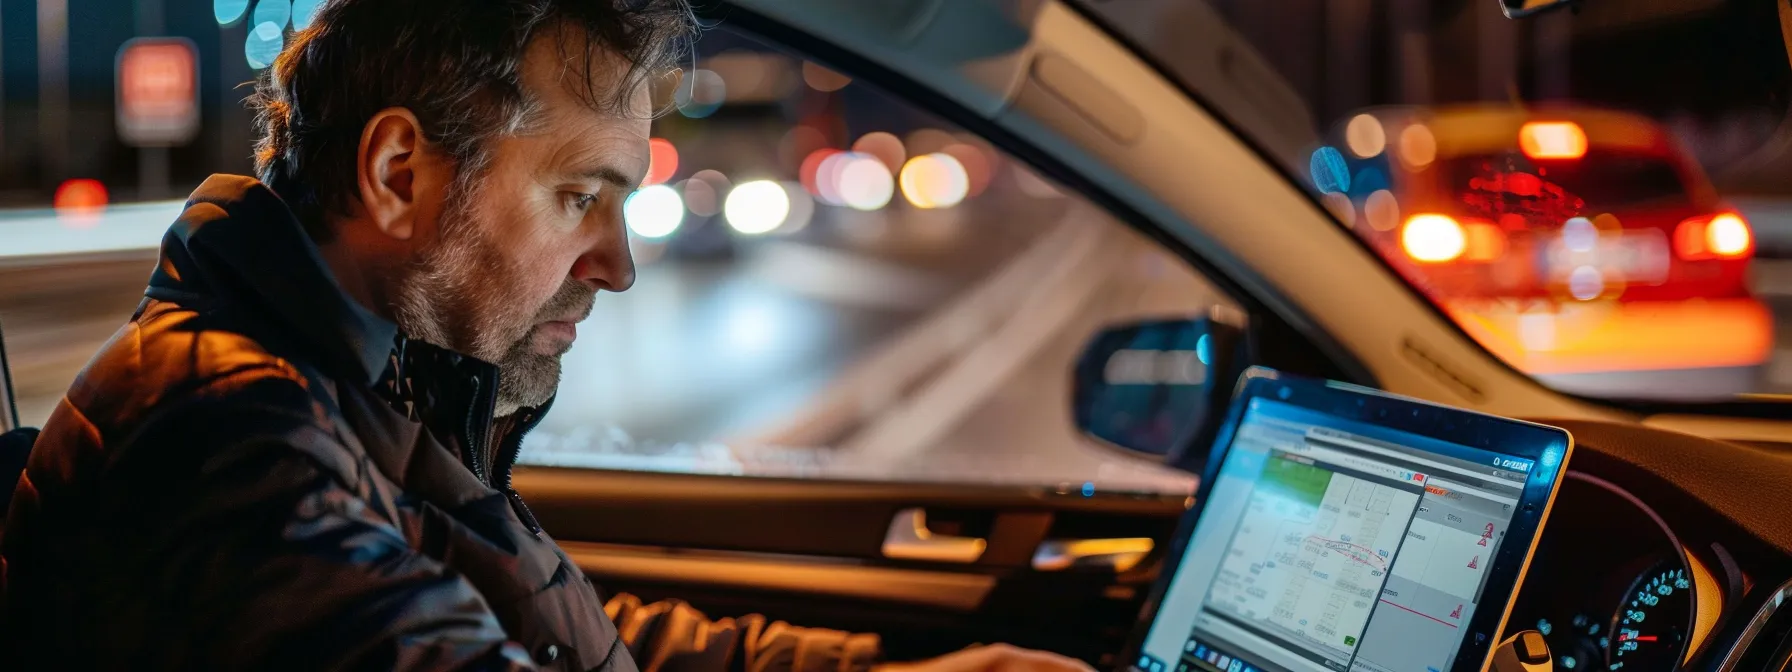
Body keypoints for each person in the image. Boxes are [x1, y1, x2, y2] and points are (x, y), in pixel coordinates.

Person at [0, 1, 1097, 670]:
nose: (618, 265)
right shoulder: (230, 453)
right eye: (582, 195)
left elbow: (542, 624)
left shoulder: (365, 382)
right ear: (398, 176)